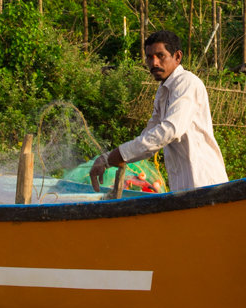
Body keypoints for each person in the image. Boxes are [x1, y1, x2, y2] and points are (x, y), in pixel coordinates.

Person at [90, 30, 228, 192]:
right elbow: (150, 133)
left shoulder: (187, 83)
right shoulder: (163, 91)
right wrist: (108, 158)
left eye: (160, 56)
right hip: (183, 185)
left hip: (204, 181)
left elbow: (169, 131)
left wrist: (118, 155)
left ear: (177, 57)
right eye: (149, 57)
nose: (154, 63)